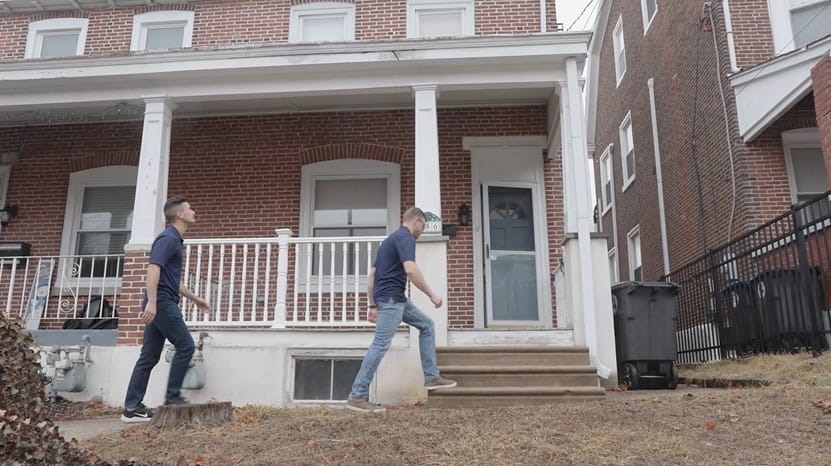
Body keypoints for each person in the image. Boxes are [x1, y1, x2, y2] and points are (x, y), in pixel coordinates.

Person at [347, 207, 457, 413]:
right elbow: (411, 269)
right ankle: (357, 395)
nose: (422, 231)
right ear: (415, 221)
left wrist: (372, 305)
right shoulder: (405, 237)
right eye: (423, 226)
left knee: (426, 325)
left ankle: (431, 377)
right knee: (380, 345)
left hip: (394, 299)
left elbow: (372, 276)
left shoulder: (388, 241)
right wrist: (432, 294)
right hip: (392, 300)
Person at [121, 195, 211, 422]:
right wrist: (152, 302)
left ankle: (132, 408)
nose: (194, 212)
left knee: (149, 356)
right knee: (186, 346)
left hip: (161, 300)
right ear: (180, 214)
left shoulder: (174, 240)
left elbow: (173, 280)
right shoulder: (168, 238)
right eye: (190, 209)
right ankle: (173, 398)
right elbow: (153, 269)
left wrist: (195, 299)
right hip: (161, 302)